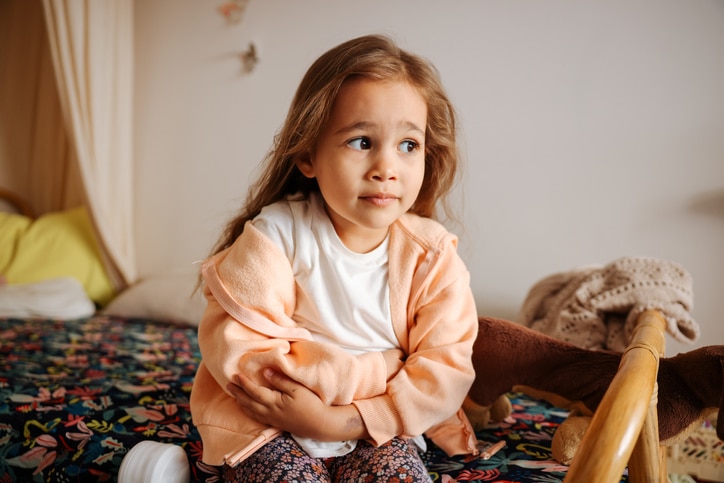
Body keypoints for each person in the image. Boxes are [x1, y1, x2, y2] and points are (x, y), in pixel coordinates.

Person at [190, 34, 480, 482]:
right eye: (362, 142)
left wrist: (337, 420)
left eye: (408, 145)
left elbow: (443, 374)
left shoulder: (433, 256)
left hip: (377, 427)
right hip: (270, 425)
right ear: (308, 154)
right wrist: (385, 367)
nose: (386, 167)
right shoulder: (274, 237)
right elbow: (245, 358)